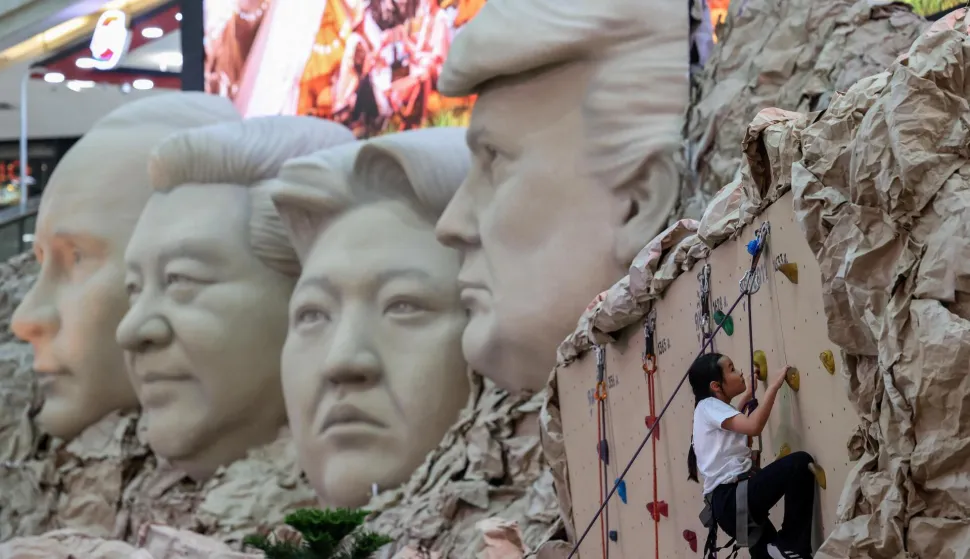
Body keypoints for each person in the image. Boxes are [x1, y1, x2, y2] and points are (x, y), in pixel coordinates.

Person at [687, 352, 816, 559]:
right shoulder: (708, 407)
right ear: (715, 386)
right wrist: (773, 386)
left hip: (728, 509)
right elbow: (753, 426)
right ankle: (792, 544)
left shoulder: (706, 410)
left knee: (768, 555)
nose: (739, 373)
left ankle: (787, 549)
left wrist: (747, 396)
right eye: (731, 369)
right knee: (798, 464)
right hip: (733, 499)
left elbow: (730, 428)